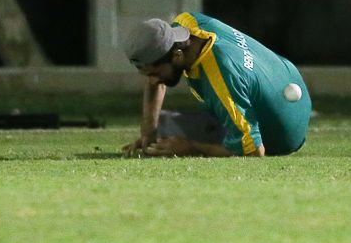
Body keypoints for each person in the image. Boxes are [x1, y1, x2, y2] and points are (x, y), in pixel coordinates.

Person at [118, 11, 311, 158]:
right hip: (286, 79)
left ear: (177, 56)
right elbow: (157, 78)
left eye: (155, 73)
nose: (152, 81)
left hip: (284, 134)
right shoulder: (187, 23)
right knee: (160, 123)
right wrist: (148, 132)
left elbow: (254, 151)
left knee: (169, 127)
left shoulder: (220, 78)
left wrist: (192, 148)